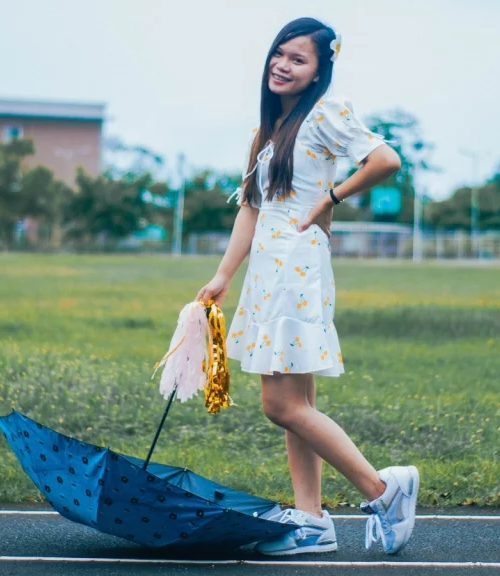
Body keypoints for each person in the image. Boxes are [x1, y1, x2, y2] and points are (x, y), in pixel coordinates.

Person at [194, 17, 418, 556]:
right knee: (300, 402)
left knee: (281, 404)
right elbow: (252, 208)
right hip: (269, 270)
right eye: (279, 53)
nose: (282, 64)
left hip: (297, 266)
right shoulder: (267, 132)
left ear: (319, 72)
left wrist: (331, 199)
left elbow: (385, 159)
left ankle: (383, 491)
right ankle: (312, 520)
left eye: (298, 59)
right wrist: (224, 275)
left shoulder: (326, 113)